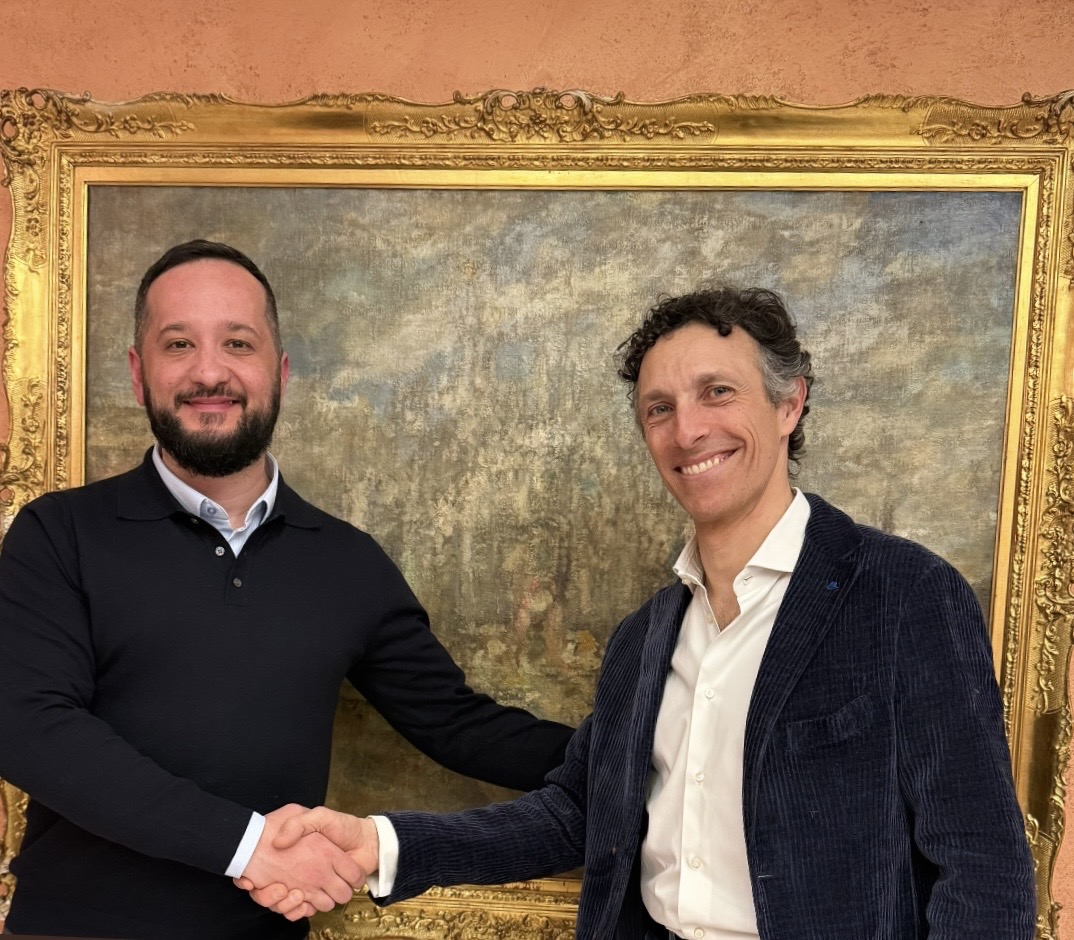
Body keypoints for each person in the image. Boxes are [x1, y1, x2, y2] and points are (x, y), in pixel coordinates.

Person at [249, 287, 1035, 938]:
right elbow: (575, 814)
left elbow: (982, 864)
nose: (688, 430)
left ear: (789, 403)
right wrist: (375, 843)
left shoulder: (905, 596)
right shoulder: (643, 639)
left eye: (717, 392)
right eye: (660, 408)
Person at [0, 240, 573, 940]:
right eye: (178, 344)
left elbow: (461, 726)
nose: (209, 372)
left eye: (237, 343)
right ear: (138, 374)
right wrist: (248, 847)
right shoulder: (58, 534)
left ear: (280, 371)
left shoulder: (349, 562)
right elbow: (30, 727)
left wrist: (645, 760)